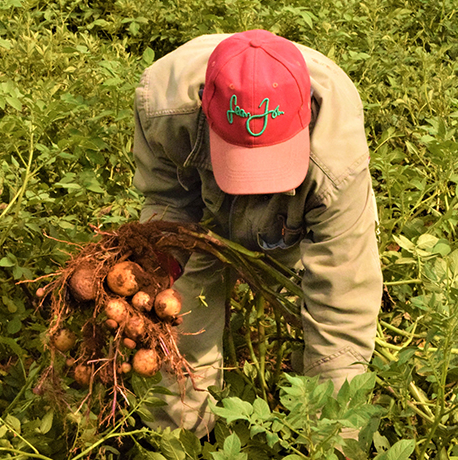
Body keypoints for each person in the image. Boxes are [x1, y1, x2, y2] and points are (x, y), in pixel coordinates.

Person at [132, 29, 382, 438]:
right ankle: (178, 438)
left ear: (307, 120)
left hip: (293, 216)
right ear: (203, 112)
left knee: (333, 337)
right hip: (202, 210)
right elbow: (166, 198)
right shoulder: (164, 108)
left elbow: (343, 301)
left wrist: (333, 438)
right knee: (181, 321)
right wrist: (162, 269)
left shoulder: (336, 161)